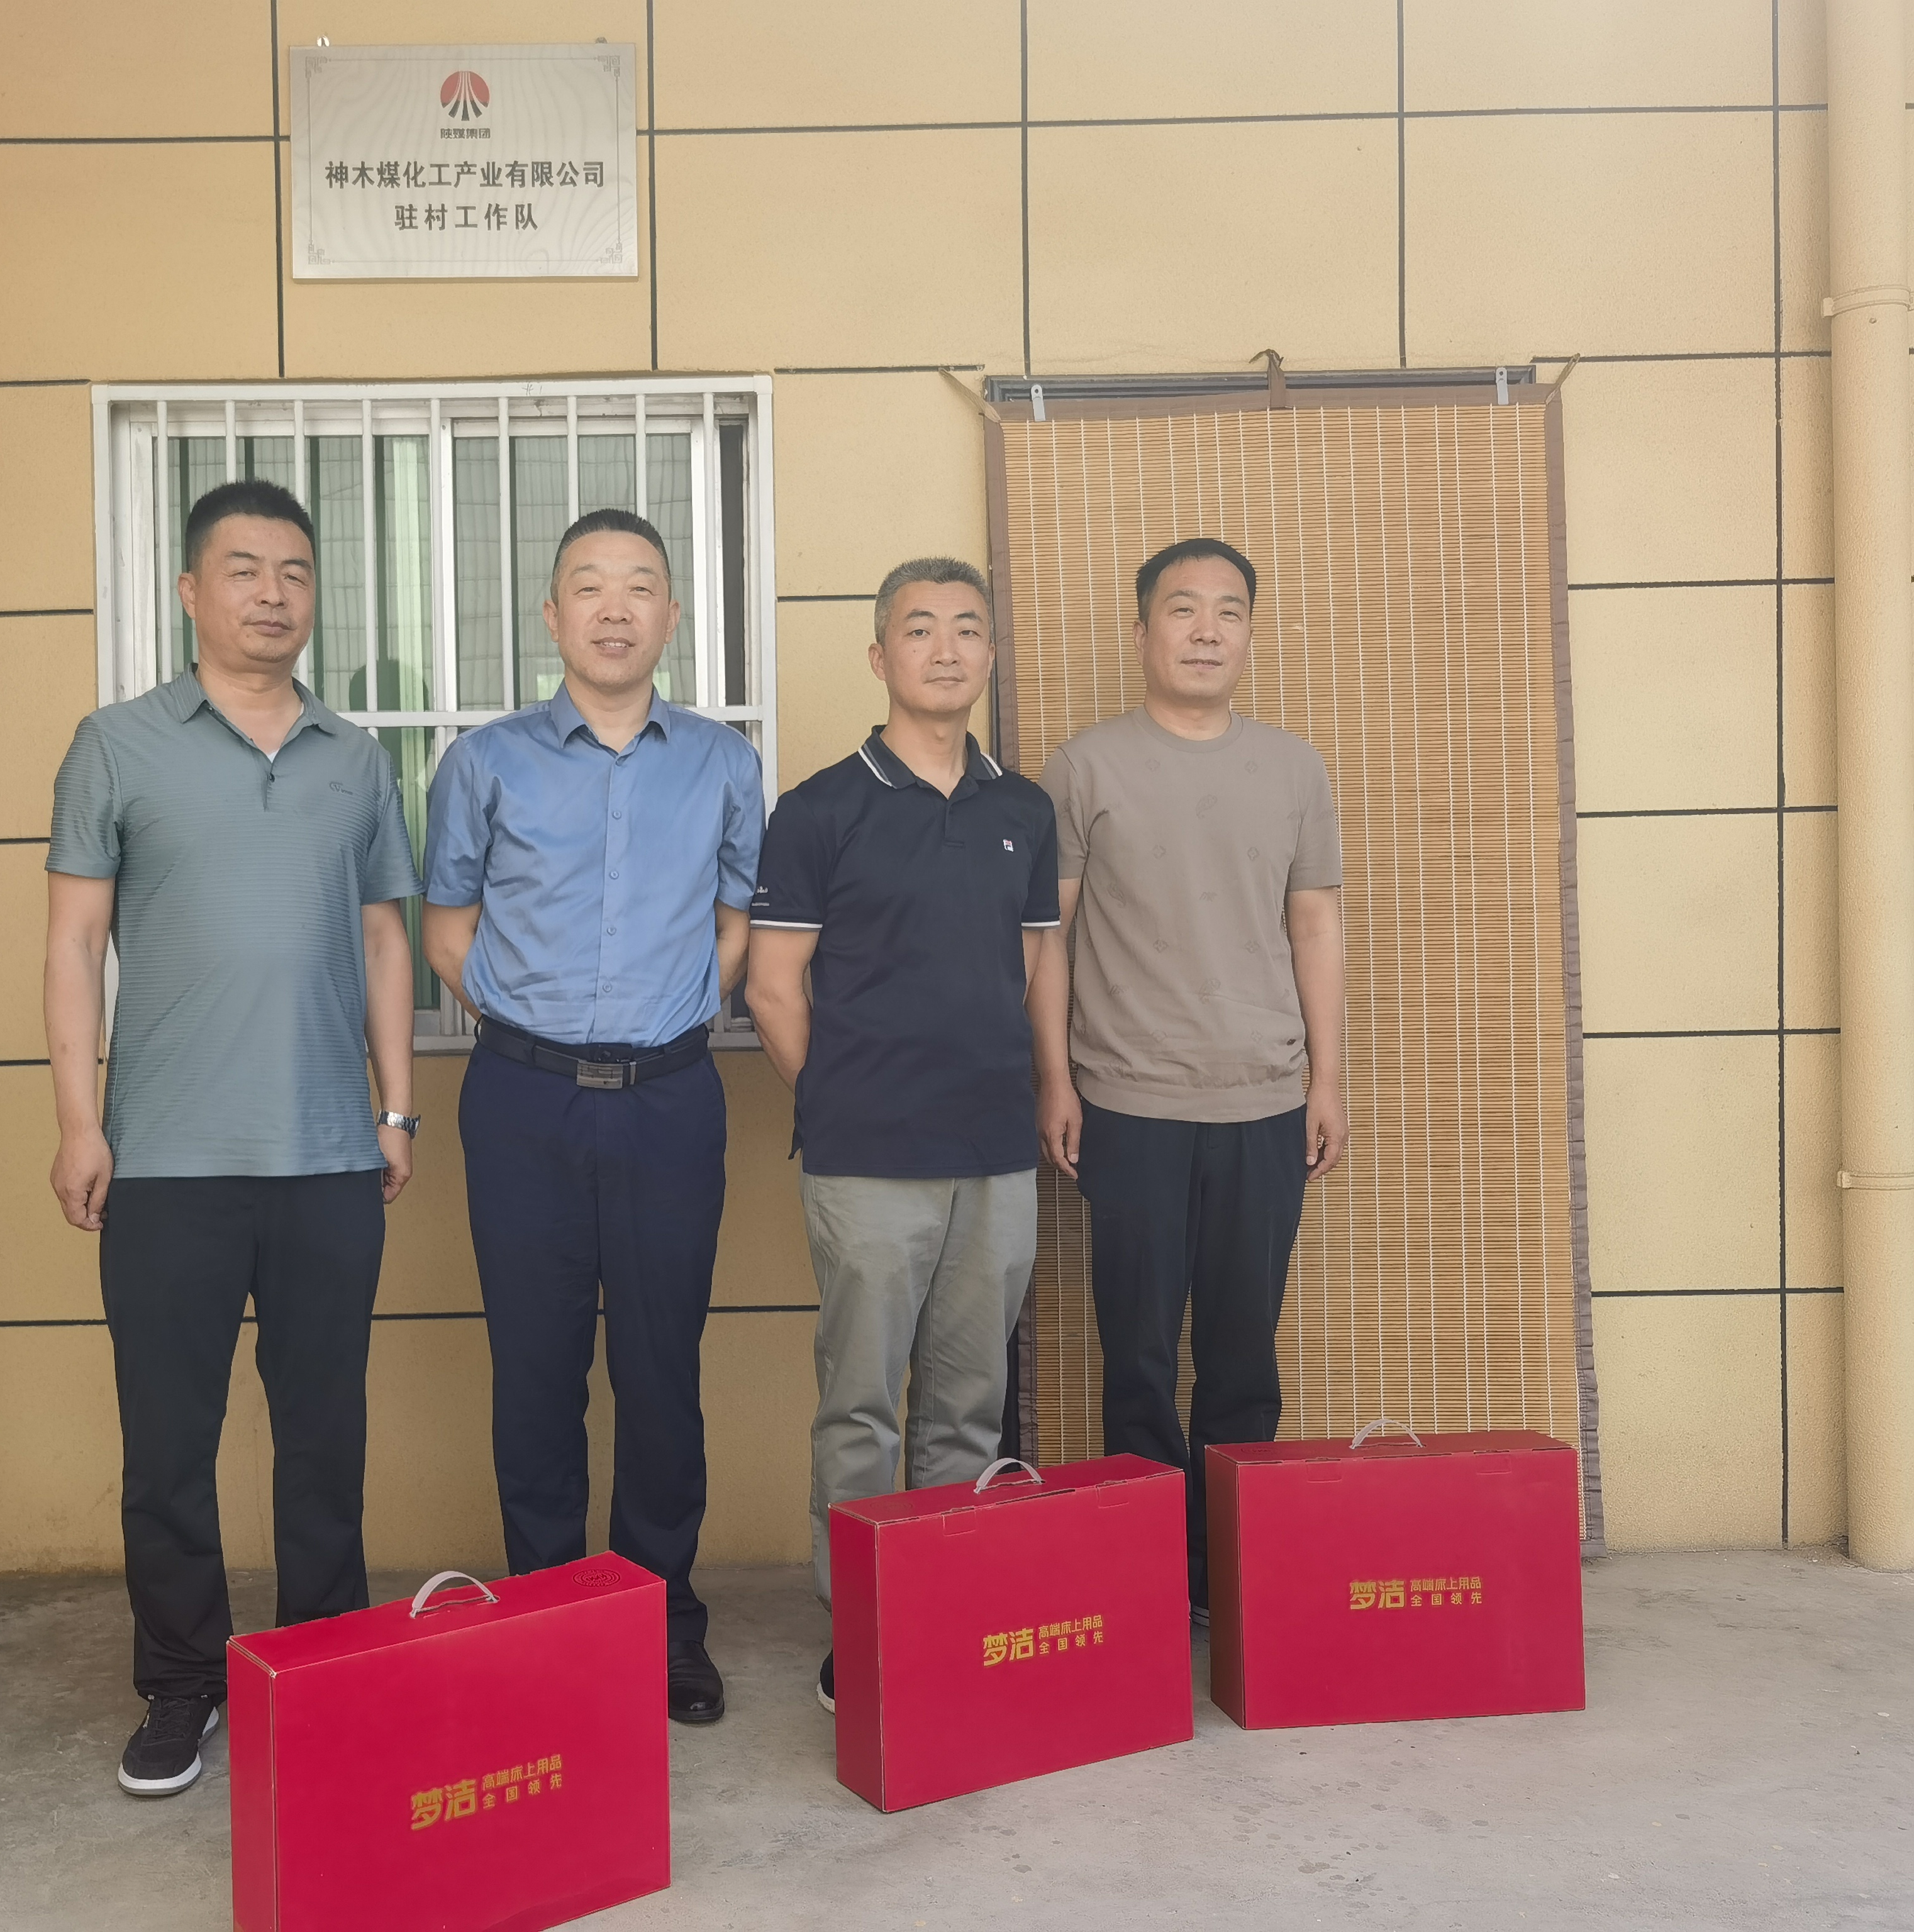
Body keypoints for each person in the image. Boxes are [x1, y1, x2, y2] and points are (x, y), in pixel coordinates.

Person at [43, 478, 421, 1796]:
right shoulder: (116, 745)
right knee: (167, 1448)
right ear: (192, 591)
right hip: (164, 1162)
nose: (273, 594)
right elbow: (74, 942)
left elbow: (385, 938)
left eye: (295, 573)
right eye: (245, 569)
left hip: (327, 1157)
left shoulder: (354, 757)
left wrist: (392, 1109)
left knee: (323, 1438)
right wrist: (79, 1121)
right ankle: (181, 1683)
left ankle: (322, 1667)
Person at [421, 508, 763, 1726]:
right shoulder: (483, 763)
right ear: (552, 615)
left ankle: (662, 1621)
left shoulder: (722, 763)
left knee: (663, 1372)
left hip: (670, 1100)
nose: (614, 609)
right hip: (521, 1103)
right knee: (535, 1370)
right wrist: (536, 1029)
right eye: (588, 586)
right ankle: (551, 1618)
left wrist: (670, 1015)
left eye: (639, 587)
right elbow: (446, 929)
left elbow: (736, 921)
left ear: (670, 615)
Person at [746, 557, 1068, 1713]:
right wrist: (846, 1094)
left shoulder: (1022, 810)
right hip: (869, 1157)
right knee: (863, 1405)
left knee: (969, 1404)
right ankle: (865, 1627)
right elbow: (773, 987)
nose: (946, 648)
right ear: (881, 656)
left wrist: (1052, 1084)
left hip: (996, 1151)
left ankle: (945, 1605)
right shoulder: (820, 809)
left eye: (967, 629)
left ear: (990, 655)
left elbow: (1035, 962)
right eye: (920, 629)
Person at [1037, 536, 1349, 1623]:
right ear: (1143, 633)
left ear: (1250, 634)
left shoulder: (1294, 769)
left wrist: (1326, 1078)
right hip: (1128, 1104)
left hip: (1264, 1100)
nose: (1206, 630)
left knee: (1242, 1358)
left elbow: (1315, 925)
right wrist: (1055, 1078)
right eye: (1183, 609)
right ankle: (1146, 1578)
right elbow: (1048, 939)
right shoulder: (1084, 767)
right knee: (1134, 1358)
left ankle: (1231, 1579)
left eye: (1228, 611)